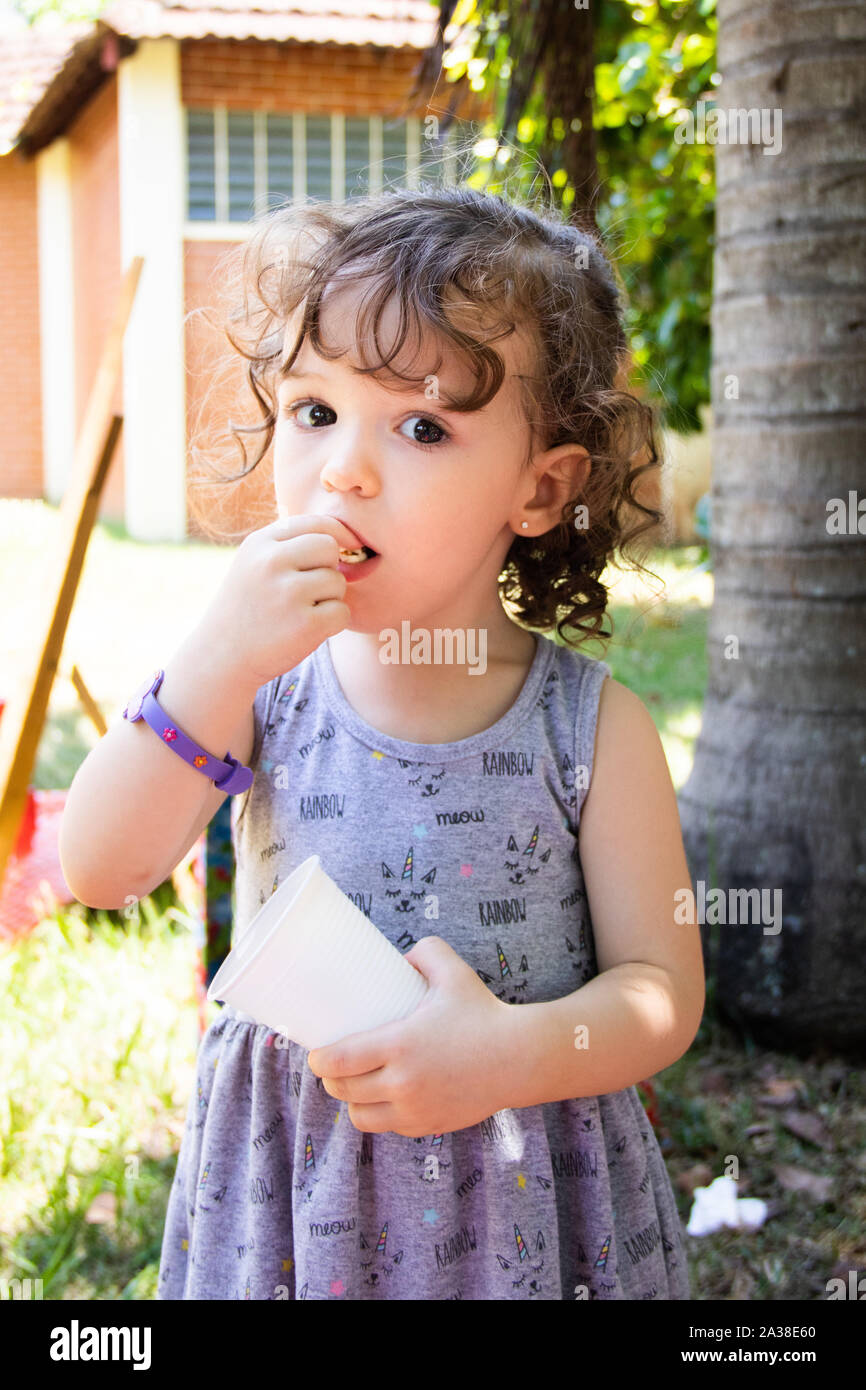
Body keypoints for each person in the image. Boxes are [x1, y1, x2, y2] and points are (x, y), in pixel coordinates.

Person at [61, 181, 705, 1300]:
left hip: (520, 1198)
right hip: (297, 1208)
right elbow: (100, 867)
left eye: (419, 426)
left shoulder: (590, 729)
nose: (342, 471)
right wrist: (210, 662)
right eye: (312, 412)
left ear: (540, 489)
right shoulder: (262, 692)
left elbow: (661, 994)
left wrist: (507, 1053)